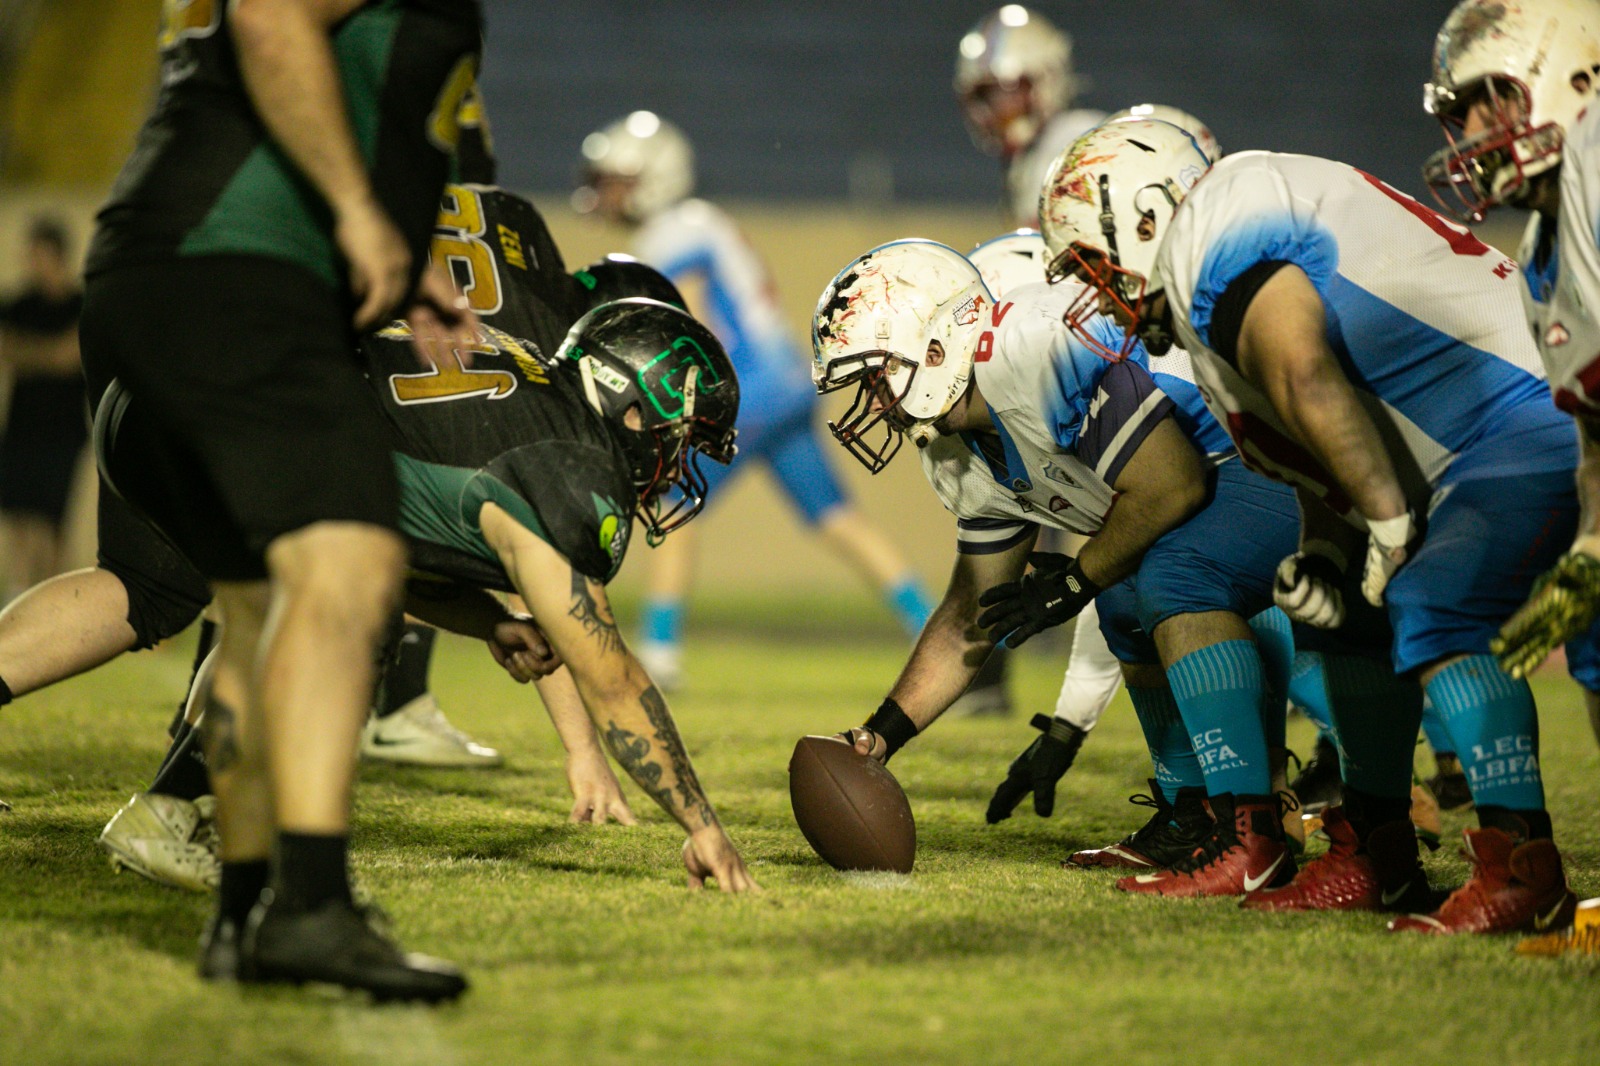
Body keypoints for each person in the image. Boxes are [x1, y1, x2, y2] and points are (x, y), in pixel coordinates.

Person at [92, 182, 760, 973]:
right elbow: (611, 681)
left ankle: (195, 830)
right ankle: (194, 828)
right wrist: (702, 823)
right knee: (328, 617)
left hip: (172, 395)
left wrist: (488, 620)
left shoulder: (526, 390)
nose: (677, 466)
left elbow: (388, 543)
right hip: (213, 416)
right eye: (680, 440)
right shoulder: (571, 470)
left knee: (327, 597)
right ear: (633, 406)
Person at [1039, 118, 1579, 933]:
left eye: (1092, 260)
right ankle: (1377, 852)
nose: (1097, 292)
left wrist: (1392, 529)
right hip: (1464, 444)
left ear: (1149, 216)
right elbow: (1313, 443)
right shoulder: (1206, 306)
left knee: (1437, 596)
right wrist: (1328, 551)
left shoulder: (1220, 224)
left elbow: (1303, 368)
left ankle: (1524, 871)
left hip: (1525, 414)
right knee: (1343, 620)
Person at [78, 0, 487, 1000]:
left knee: (258, 613)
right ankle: (308, 908)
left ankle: (243, 910)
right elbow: (268, 12)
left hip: (173, 272)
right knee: (353, 569)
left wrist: (404, 247)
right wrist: (353, 209)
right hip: (237, 271)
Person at [814, 238, 1313, 896]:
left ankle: (1257, 834)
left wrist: (1076, 580)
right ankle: (1196, 814)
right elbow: (971, 618)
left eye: (876, 377)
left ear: (935, 345)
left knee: (1165, 575)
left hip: (1289, 462)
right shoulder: (957, 451)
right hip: (1223, 488)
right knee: (1125, 594)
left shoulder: (1032, 349)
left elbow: (1173, 485)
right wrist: (879, 738)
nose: (875, 405)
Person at [574, 111, 934, 692]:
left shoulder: (671, 233)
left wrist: (680, 407)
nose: (608, 193)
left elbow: (691, 319)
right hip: (784, 378)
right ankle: (930, 623)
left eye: (617, 179)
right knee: (837, 518)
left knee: (673, 500)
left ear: (651, 177)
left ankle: (660, 650)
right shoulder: (701, 220)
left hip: (747, 386)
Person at [1421, 0, 1600, 953]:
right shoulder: (1542, 249)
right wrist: (1592, 545)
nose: (1479, 132)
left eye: (1495, 100)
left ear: (1576, 78)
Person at [0, 216, 88, 603]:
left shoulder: (80, 305)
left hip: (64, 432)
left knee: (52, 524)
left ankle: (51, 602)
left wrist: (29, 353)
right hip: (21, 428)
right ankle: (17, 598)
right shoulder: (19, 304)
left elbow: (70, 357)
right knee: (19, 517)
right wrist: (48, 353)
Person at [954, 5, 1107, 227]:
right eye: (988, 97)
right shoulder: (1032, 157)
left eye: (1010, 93)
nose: (999, 109)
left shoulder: (1077, 143)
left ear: (1048, 80)